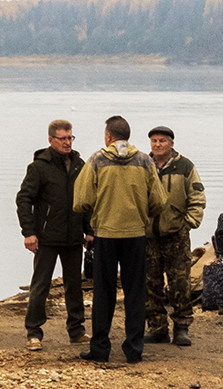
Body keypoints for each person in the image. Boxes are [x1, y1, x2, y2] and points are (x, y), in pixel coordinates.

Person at [72, 115, 167, 364]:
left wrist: (101, 210)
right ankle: (134, 349)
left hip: (106, 233)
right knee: (135, 293)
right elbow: (159, 201)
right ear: (128, 136)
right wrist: (140, 213)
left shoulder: (97, 159)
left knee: (104, 293)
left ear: (108, 136)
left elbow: (81, 200)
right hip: (135, 234)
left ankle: (100, 349)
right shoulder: (145, 161)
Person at [15, 119, 87, 352]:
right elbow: (24, 199)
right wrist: (29, 233)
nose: (67, 142)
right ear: (51, 140)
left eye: (70, 138)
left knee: (74, 284)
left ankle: (76, 331)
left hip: (74, 235)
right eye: (63, 138)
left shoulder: (79, 164)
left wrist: (90, 230)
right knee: (41, 285)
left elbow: (86, 200)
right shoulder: (39, 167)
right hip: (46, 236)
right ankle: (34, 333)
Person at [144, 125, 206, 346]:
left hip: (176, 234)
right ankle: (157, 327)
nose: (158, 145)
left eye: (162, 141)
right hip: (149, 234)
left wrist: (188, 223)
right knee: (150, 283)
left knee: (179, 282)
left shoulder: (185, 166)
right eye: (154, 141)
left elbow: (197, 195)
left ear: (171, 143)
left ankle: (182, 327)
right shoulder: (143, 164)